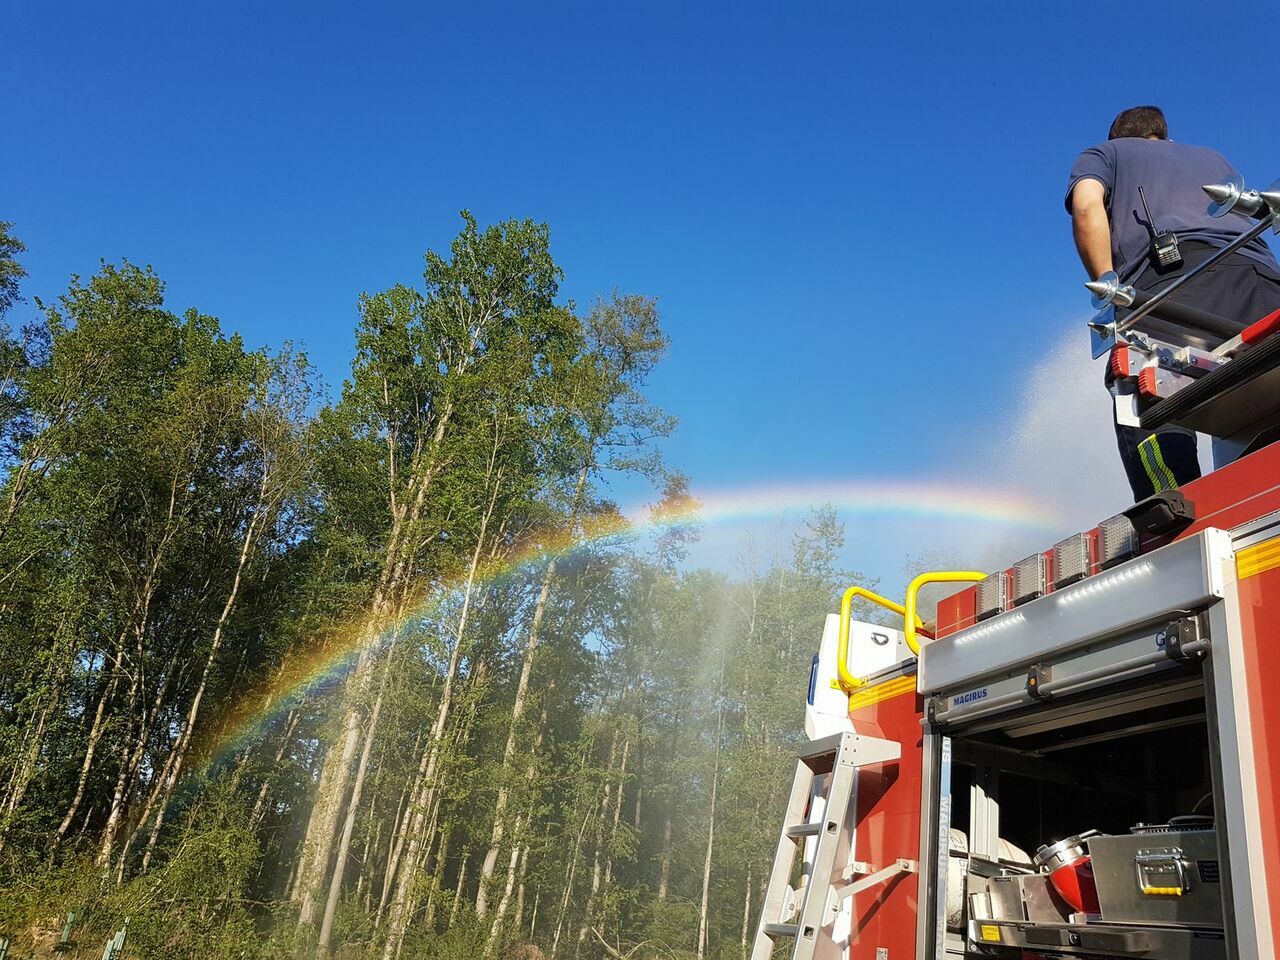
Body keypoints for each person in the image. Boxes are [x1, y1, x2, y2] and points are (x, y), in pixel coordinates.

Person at [1065, 105, 1280, 501]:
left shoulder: (1104, 154)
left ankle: (1174, 506)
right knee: (1264, 381)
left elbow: (1085, 205)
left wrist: (1109, 287)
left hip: (1177, 281)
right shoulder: (1212, 157)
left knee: (1143, 383)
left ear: (1119, 138)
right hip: (1263, 278)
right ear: (1165, 137)